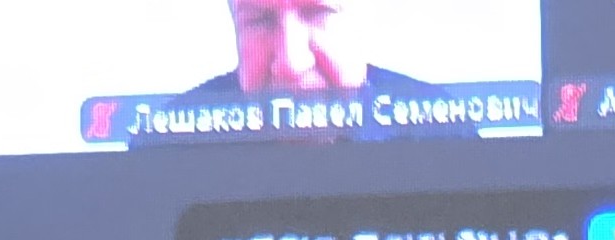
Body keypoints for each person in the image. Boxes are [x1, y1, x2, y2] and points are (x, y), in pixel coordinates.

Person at [179, 0, 432, 102]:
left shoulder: (443, 137)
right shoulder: (168, 150)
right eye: (259, 21)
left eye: (318, 13)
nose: (291, 64)